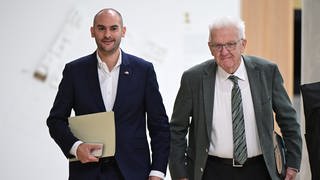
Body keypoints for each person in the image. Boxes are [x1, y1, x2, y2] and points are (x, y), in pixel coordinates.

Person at [169, 16, 302, 180]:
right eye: (218, 45)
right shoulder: (193, 79)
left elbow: (288, 119)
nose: (224, 52)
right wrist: (180, 174)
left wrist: (293, 163)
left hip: (261, 170)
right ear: (210, 48)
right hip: (211, 171)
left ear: (243, 44)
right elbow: (177, 130)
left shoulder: (267, 72)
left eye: (231, 44)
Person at [47, 8, 170, 180]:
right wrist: (76, 147)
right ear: (92, 31)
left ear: (123, 31)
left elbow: (160, 126)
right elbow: (55, 120)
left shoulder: (144, 70)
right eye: (101, 28)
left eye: (113, 28)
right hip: (86, 171)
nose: (107, 34)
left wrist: (157, 172)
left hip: (134, 172)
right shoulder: (74, 71)